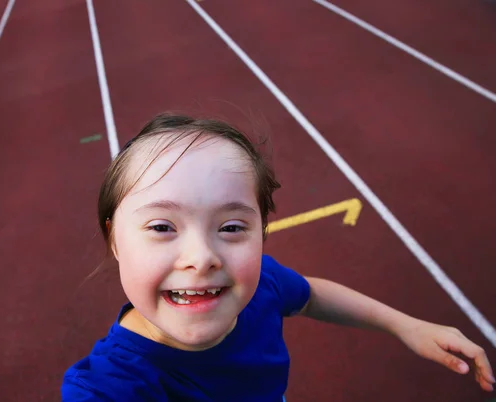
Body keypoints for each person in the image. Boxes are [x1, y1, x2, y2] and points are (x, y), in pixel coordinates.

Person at [62, 113, 494, 401]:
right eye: (162, 227)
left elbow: (309, 296)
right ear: (114, 240)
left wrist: (407, 326)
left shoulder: (257, 285)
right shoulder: (107, 388)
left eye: (231, 228)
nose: (202, 257)